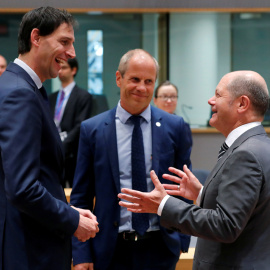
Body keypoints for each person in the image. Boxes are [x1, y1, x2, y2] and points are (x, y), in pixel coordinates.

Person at [118, 70, 270, 270]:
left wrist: (164, 205)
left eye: (218, 95)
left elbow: (226, 225)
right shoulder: (260, 145)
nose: (210, 101)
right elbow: (247, 211)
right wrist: (201, 194)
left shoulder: (245, 154)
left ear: (242, 104)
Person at [71, 49, 193, 270]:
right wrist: (81, 253)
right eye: (135, 79)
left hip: (160, 249)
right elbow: (81, 197)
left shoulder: (175, 127)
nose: (142, 87)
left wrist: (181, 241)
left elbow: (182, 189)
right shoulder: (93, 130)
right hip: (109, 250)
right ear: (119, 78)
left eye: (149, 81)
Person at [0, 6, 99, 270]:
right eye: (64, 42)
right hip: (29, 251)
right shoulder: (20, 94)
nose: (72, 53)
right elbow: (22, 188)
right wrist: (72, 220)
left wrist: (70, 212)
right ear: (36, 38)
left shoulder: (23, 87)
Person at [49, 58, 92, 188]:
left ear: (74, 70)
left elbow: (81, 125)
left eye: (64, 68)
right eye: (59, 67)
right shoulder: (51, 97)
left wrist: (62, 144)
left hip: (72, 153)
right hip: (52, 152)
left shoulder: (83, 96)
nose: (60, 71)